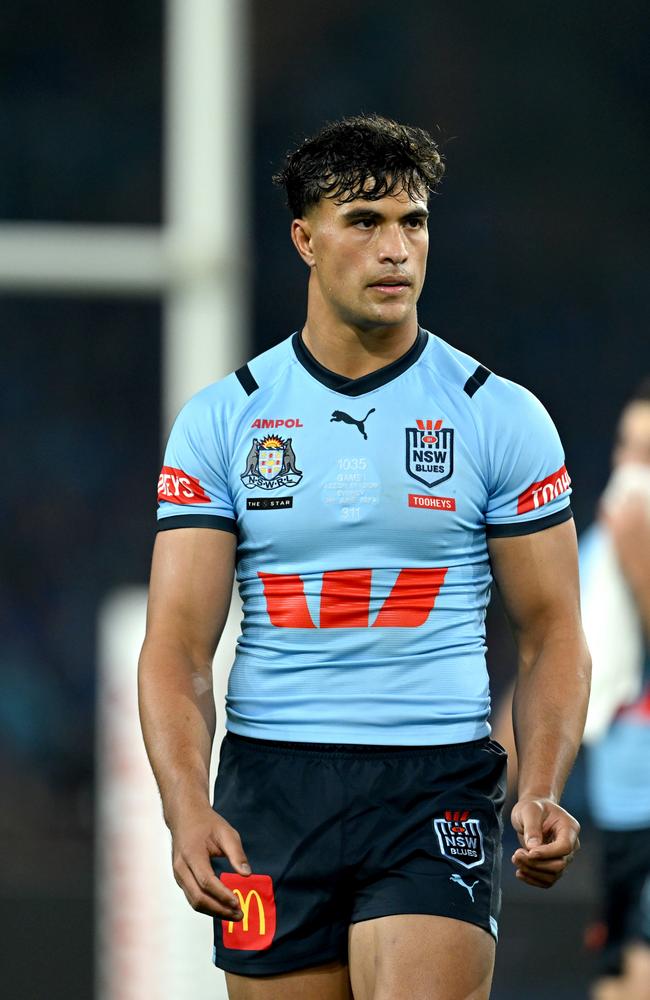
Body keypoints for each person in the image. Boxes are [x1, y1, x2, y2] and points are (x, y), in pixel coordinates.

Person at [138, 114, 590, 1000]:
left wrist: (539, 784)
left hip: (435, 785)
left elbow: (554, 632)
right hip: (272, 784)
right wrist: (185, 806)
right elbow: (177, 647)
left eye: (412, 222)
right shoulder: (225, 420)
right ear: (306, 238)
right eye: (365, 221)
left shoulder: (497, 415)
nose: (396, 249)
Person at [580, 380, 650, 1000]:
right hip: (619, 814)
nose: (629, 470)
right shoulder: (600, 550)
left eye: (647, 456)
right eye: (625, 449)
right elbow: (555, 664)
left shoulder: (628, 550)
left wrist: (641, 569)